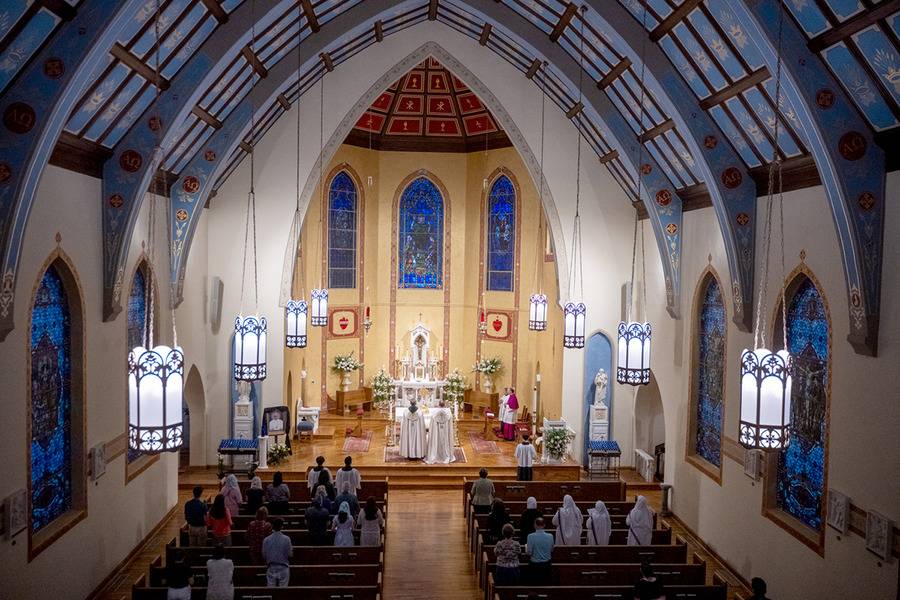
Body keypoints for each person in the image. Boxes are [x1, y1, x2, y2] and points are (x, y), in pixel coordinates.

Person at [262, 517, 293, 587]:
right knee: (283, 593)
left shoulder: (266, 540)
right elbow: (290, 554)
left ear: (273, 526)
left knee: (271, 592)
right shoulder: (287, 539)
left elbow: (264, 555)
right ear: (282, 527)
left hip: (271, 567)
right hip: (283, 567)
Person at [425, 400, 456, 464]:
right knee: (445, 440)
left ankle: (435, 455)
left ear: (438, 404)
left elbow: (431, 425)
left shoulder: (434, 413)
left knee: (436, 440)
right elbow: (450, 425)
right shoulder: (448, 413)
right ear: (444, 405)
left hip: (436, 433)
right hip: (445, 432)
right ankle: (446, 455)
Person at [525, 517, 554, 585]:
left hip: (535, 566)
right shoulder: (550, 536)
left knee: (535, 585)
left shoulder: (530, 536)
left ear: (535, 525)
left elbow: (529, 553)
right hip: (547, 565)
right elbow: (552, 550)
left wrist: (526, 547)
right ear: (544, 525)